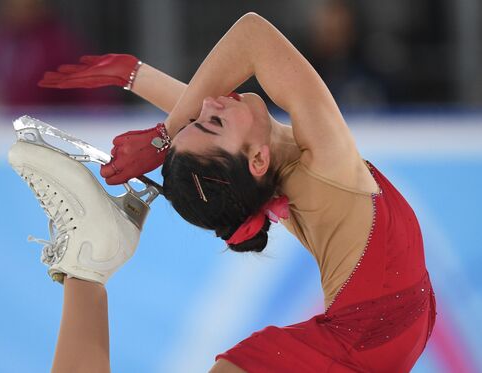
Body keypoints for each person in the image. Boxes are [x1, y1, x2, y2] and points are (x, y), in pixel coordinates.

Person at [37, 13, 436, 372]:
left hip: (378, 345)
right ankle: (86, 273)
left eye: (200, 118)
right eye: (211, 121)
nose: (210, 100)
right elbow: (252, 37)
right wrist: (163, 136)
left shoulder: (269, 168)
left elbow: (213, 123)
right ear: (256, 161)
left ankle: (86, 273)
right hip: (363, 346)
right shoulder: (324, 161)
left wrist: (135, 75)